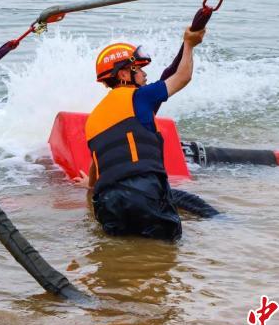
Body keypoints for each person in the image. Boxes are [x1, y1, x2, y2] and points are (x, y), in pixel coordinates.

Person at [74, 27, 206, 241]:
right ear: (124, 74)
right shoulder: (140, 96)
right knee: (165, 255)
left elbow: (98, 162)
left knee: (117, 257)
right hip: (144, 190)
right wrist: (189, 45)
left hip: (107, 202)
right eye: (138, 69)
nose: (144, 74)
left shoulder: (93, 118)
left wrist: (89, 185)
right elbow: (182, 77)